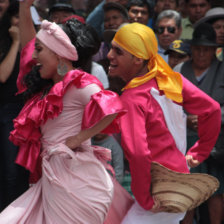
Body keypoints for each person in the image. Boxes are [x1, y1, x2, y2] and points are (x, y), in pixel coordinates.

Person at [0, 0, 129, 223]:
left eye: (40, 51)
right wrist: (24, 5)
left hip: (76, 180)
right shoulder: (47, 86)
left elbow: (114, 108)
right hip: (52, 177)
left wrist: (77, 139)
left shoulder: (79, 83)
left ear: (59, 55)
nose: (35, 56)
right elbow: (29, 46)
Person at [107, 22, 221, 224]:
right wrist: (199, 152)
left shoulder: (133, 98)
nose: (109, 55)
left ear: (137, 59)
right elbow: (212, 110)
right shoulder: (169, 80)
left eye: (118, 51)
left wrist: (145, 199)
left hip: (158, 190)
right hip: (177, 181)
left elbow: (139, 153)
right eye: (111, 48)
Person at [174, 23, 224, 224]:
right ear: (191, 49)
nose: (201, 54)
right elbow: (169, 104)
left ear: (215, 50)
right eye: (197, 49)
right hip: (187, 140)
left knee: (217, 192)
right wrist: (185, 119)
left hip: (218, 141)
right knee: (188, 193)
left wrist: (211, 117)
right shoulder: (179, 70)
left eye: (206, 50)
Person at [0, 0, 29, 211]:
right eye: (16, 16)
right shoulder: (8, 40)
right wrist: (16, 42)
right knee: (10, 171)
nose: (20, 21)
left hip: (26, 111)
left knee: (22, 171)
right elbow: (3, 75)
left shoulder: (32, 44)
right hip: (7, 112)